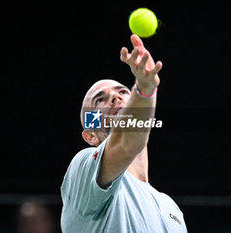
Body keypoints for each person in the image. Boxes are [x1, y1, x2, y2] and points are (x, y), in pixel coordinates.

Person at [60, 34, 188, 233]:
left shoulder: (170, 208)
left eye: (122, 91)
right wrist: (145, 88)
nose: (114, 96)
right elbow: (126, 144)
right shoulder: (83, 168)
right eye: (99, 101)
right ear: (91, 135)